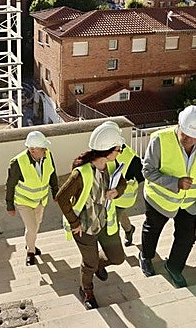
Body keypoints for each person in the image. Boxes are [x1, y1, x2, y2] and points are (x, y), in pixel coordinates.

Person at [56, 122, 130, 310]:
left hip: (105, 224)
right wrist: (74, 222)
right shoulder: (81, 173)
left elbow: (122, 182)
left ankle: (97, 265)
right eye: (118, 149)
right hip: (84, 228)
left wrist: (117, 191)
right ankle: (86, 290)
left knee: (118, 257)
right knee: (88, 264)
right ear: (107, 150)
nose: (119, 152)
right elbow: (61, 198)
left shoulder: (111, 165)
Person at [139, 105, 196, 289]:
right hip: (159, 200)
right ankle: (146, 256)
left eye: (193, 137)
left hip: (189, 203)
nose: (188, 139)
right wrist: (175, 183)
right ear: (178, 124)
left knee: (187, 237)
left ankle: (174, 267)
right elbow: (147, 171)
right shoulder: (160, 139)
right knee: (152, 230)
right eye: (185, 134)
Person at [5, 130, 59, 266]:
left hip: (40, 200)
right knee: (32, 228)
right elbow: (10, 185)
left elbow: (52, 174)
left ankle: (30, 243)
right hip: (24, 202)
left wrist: (55, 192)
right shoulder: (17, 163)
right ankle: (30, 252)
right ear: (33, 150)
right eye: (43, 148)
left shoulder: (48, 156)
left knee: (35, 226)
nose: (46, 150)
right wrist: (10, 206)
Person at [100, 121, 144, 247]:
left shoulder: (132, 158)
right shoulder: (105, 151)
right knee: (119, 215)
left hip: (123, 199)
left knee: (113, 222)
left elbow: (141, 178)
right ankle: (129, 229)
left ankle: (114, 251)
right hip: (109, 197)